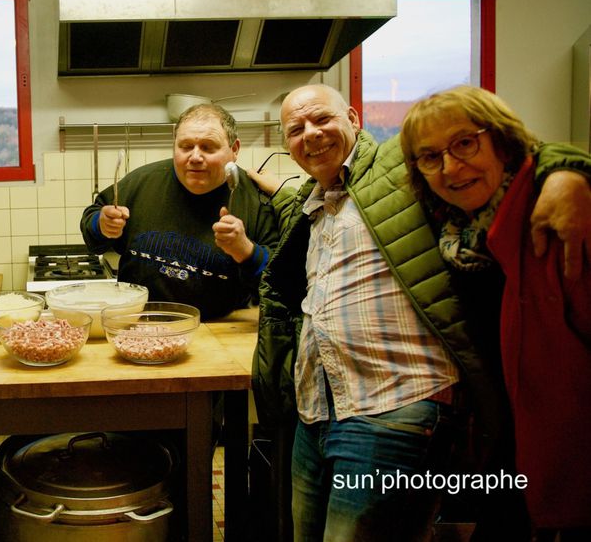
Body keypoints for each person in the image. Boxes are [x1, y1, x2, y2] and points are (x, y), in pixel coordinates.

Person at [251, 84, 591, 542]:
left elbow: (525, 151)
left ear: (353, 118)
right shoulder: (315, 203)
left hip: (392, 408)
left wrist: (568, 174)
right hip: (319, 409)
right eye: (296, 129)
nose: (310, 134)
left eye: (322, 120)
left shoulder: (400, 164)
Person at [400, 86, 591, 540]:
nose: (449, 167)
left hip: (569, 453)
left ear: (501, 141)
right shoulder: (456, 231)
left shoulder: (555, 218)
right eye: (430, 157)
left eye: (465, 143)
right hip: (506, 439)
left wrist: (571, 173)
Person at [80, 102, 280, 319]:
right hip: (136, 326)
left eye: (208, 147)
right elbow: (92, 226)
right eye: (185, 146)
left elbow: (280, 283)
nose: (195, 157)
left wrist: (246, 251)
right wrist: (101, 223)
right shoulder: (142, 182)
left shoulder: (256, 201)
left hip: (217, 331)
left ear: (234, 150)